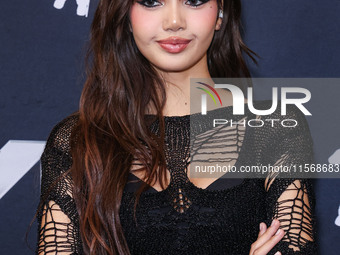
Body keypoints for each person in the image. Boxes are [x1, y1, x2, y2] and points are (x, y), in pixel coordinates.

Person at [34, 0, 317, 254]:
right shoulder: (76, 139)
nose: (173, 22)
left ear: (220, 12)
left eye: (194, 1)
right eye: (151, 2)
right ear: (125, 15)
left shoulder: (276, 125)